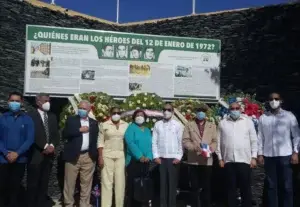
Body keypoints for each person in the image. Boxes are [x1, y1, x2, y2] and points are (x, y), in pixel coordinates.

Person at [257, 92, 300, 207]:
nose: (273, 101)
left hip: (285, 155)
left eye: (276, 99)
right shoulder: (263, 118)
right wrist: (260, 154)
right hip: (269, 156)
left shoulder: (289, 116)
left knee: (287, 186)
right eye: (271, 99)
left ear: (281, 101)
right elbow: (260, 137)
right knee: (271, 186)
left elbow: (296, 135)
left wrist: (296, 152)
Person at [216, 102, 257, 207]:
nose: (234, 110)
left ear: (240, 109)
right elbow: (218, 142)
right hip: (228, 160)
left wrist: (254, 157)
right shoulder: (223, 123)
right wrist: (220, 158)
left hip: (244, 160)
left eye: (237, 108)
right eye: (232, 108)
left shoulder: (248, 122)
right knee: (230, 188)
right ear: (229, 110)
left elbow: (253, 140)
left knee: (245, 188)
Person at [0, 91, 34, 207]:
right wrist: (5, 153)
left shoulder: (27, 119)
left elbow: (29, 139)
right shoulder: (2, 118)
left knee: (15, 188)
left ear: (21, 102)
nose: (14, 103)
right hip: (3, 159)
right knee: (2, 187)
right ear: (8, 102)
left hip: (20, 159)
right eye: (12, 101)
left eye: (17, 101)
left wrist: (17, 153)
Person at [63, 100, 99, 207]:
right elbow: (64, 134)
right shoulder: (71, 120)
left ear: (89, 110)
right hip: (73, 156)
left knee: (86, 183)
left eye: (84, 108)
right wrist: (79, 130)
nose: (81, 110)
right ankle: (69, 203)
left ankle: (84, 204)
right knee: (70, 183)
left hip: (88, 156)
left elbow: (96, 138)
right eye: (80, 108)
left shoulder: (93, 122)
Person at [27, 93, 60, 207]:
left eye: (49, 100)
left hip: (49, 155)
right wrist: (45, 146)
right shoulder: (30, 116)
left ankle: (41, 203)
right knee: (32, 183)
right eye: (45, 100)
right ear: (38, 102)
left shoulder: (52, 116)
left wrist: (52, 145)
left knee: (44, 182)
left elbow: (56, 134)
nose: (48, 103)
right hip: (35, 154)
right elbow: (33, 134)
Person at [182, 105, 217, 207]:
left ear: (206, 113)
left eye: (203, 111)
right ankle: (194, 204)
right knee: (194, 186)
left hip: (207, 160)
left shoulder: (212, 125)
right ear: (196, 113)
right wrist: (194, 148)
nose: (201, 113)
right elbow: (185, 140)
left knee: (206, 186)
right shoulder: (189, 125)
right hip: (194, 159)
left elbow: (215, 141)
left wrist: (211, 149)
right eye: (199, 111)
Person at [152, 103, 183, 207]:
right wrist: (156, 156)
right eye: (164, 110)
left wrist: (179, 157)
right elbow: (154, 141)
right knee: (162, 185)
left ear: (173, 112)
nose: (166, 112)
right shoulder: (158, 124)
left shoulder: (177, 125)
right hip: (161, 158)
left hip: (173, 159)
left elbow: (180, 142)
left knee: (172, 185)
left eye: (169, 110)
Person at [98, 107, 128, 207]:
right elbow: (100, 142)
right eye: (114, 112)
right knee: (106, 183)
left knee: (120, 183)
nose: (116, 114)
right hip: (107, 155)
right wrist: (100, 157)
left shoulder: (126, 125)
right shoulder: (104, 124)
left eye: (118, 112)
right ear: (110, 114)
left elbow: (128, 142)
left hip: (121, 156)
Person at [125, 109, 153, 207]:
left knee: (144, 187)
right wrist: (140, 156)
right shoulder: (131, 128)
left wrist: (149, 156)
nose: (139, 117)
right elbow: (130, 143)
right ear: (134, 117)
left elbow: (151, 144)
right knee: (133, 187)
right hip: (134, 161)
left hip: (146, 162)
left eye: (141, 115)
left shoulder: (147, 130)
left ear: (145, 118)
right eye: (137, 115)